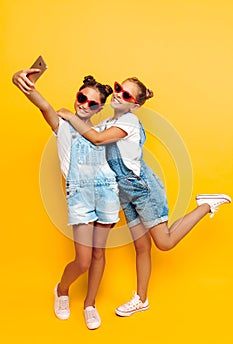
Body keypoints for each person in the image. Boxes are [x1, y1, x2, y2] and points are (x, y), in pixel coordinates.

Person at [57, 77, 231, 317]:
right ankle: (141, 298)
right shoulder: (108, 121)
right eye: (119, 89)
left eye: (127, 95)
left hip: (141, 188)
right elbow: (87, 144)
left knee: (165, 243)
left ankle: (205, 206)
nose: (119, 95)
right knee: (141, 246)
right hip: (125, 194)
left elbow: (96, 139)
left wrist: (70, 115)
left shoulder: (128, 121)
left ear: (135, 105)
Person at [12, 69, 120, 329]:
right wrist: (24, 82)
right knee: (83, 260)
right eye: (81, 98)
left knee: (98, 255)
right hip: (80, 196)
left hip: (106, 194)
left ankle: (90, 304)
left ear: (99, 109)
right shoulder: (63, 124)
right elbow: (44, 105)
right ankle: (62, 290)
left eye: (92, 103)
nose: (83, 105)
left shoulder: (102, 133)